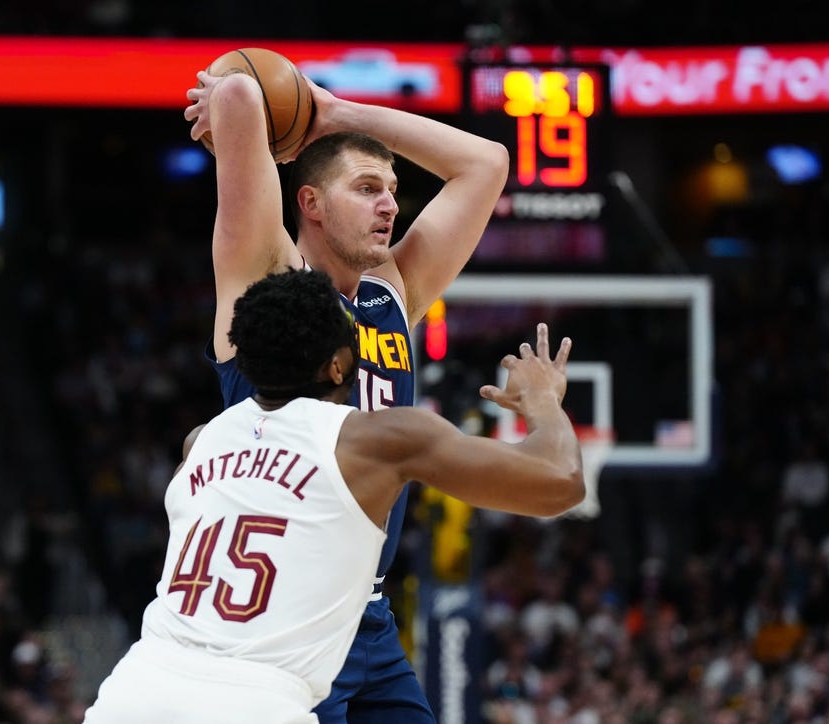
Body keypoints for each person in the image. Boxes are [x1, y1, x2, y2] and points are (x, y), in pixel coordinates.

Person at [83, 269, 583, 723]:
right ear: (341, 366)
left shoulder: (201, 441)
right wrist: (541, 400)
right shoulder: (373, 440)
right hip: (255, 703)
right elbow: (559, 483)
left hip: (132, 692)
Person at [184, 63, 510, 722]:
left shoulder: (393, 293)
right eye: (366, 188)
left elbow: (486, 163)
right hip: (282, 625)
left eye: (392, 189)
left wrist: (335, 113)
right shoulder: (265, 280)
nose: (390, 204)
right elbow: (245, 90)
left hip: (369, 619)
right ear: (308, 203)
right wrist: (237, 105)